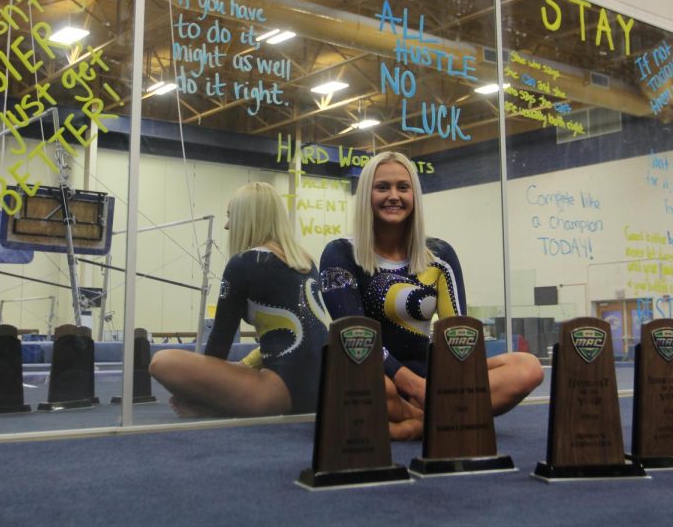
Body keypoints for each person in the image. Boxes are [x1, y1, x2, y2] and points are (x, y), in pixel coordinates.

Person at [319, 151, 543, 437]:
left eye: (403, 187)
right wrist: (415, 386)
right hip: (374, 374)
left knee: (527, 367)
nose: (394, 196)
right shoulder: (340, 253)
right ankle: (442, 419)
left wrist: (451, 383)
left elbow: (459, 338)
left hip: (430, 380)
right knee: (372, 385)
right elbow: (354, 337)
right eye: (382, 187)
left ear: (415, 195)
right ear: (366, 195)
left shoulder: (439, 255)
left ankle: (411, 425)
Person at [150, 181, 332, 417]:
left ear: (249, 219)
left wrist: (197, 390)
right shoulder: (304, 261)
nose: (226, 226)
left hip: (281, 391)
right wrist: (242, 367)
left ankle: (207, 408)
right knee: (236, 368)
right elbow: (302, 336)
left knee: (163, 361)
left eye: (230, 216)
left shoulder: (244, 263)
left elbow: (219, 342)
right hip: (323, 389)